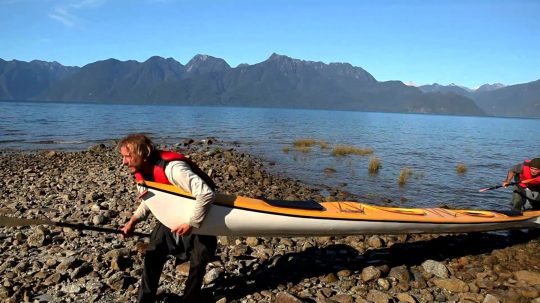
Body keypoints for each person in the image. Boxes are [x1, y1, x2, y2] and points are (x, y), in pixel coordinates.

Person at [118, 134, 217, 303]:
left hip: (201, 216)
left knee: (199, 260)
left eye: (128, 156)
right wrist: (132, 222)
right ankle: (145, 300)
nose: (124, 162)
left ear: (144, 154)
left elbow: (206, 194)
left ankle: (189, 299)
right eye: (123, 157)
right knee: (153, 254)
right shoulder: (144, 172)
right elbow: (151, 200)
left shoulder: (174, 169)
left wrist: (192, 223)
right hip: (172, 216)